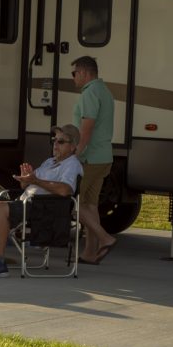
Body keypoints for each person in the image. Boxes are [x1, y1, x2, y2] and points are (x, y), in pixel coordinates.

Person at [0, 124, 84, 279]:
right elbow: (29, 184)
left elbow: (66, 190)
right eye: (54, 140)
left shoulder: (72, 165)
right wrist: (25, 180)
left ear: (73, 146)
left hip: (43, 208)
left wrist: (36, 180)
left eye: (61, 141)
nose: (55, 144)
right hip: (26, 203)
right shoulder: (50, 162)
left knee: (0, 207)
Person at [71, 56, 117, 264]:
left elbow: (86, 128)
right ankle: (89, 253)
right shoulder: (105, 91)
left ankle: (105, 238)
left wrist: (75, 154)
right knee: (90, 206)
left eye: (74, 73)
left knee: (71, 203)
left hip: (89, 158)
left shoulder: (89, 93)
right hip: (104, 157)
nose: (73, 78)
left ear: (84, 73)